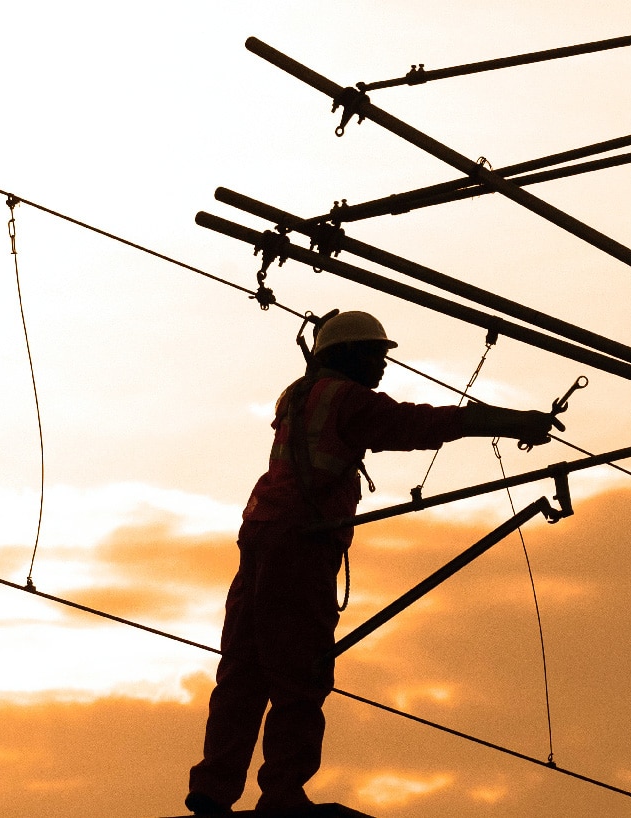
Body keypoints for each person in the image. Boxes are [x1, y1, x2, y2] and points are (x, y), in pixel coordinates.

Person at [186, 310, 560, 815]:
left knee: (245, 670)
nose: (383, 368)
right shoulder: (345, 401)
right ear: (348, 356)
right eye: (375, 356)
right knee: (302, 672)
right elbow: (420, 422)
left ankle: (212, 788)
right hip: (301, 544)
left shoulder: (297, 396)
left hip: (262, 536)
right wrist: (514, 421)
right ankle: (281, 795)